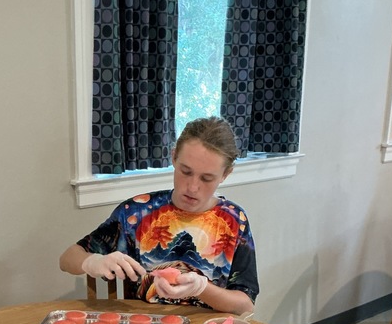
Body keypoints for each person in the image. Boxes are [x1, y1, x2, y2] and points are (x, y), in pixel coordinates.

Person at [59, 117, 259, 314]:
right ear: (174, 157)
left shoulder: (233, 221)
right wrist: (93, 261)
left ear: (225, 174)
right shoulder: (137, 212)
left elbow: (245, 304)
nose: (192, 187)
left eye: (207, 178)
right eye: (185, 171)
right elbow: (67, 259)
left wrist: (202, 289)